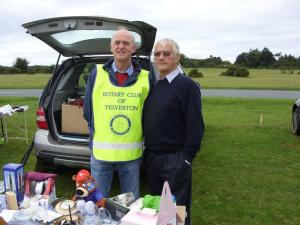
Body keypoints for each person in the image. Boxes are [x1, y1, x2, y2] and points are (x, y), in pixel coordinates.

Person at [84, 27, 154, 200]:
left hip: (131, 152)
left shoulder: (146, 77)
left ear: (133, 48)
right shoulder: (96, 74)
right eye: (117, 42)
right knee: (97, 200)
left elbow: (151, 113)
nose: (121, 46)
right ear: (111, 47)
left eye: (126, 43)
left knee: (130, 202)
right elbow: (88, 111)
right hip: (100, 152)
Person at [143, 39, 205, 225]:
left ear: (177, 57)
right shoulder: (155, 86)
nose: (160, 57)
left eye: (166, 53)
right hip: (153, 159)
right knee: (157, 211)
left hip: (175, 160)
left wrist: (186, 159)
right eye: (157, 54)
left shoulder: (187, 86)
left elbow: (196, 127)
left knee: (177, 212)